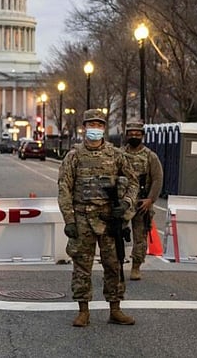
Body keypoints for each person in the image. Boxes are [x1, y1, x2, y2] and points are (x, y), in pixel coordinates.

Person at [58, 109, 138, 327]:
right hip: (83, 217)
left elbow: (133, 182)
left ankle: (115, 308)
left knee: (114, 264)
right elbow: (64, 188)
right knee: (82, 266)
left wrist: (126, 204)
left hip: (109, 217)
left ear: (103, 128)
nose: (95, 128)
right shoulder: (74, 156)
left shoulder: (116, 155)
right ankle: (83, 310)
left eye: (98, 125)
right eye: (91, 124)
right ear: (85, 127)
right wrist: (70, 220)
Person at [121, 121, 164, 281]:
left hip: (142, 203)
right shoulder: (120, 154)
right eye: (131, 134)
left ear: (142, 136)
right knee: (116, 235)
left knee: (140, 237)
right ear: (126, 135)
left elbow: (157, 179)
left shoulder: (150, 156)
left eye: (137, 134)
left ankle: (136, 266)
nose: (134, 136)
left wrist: (150, 199)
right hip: (124, 203)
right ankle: (117, 264)